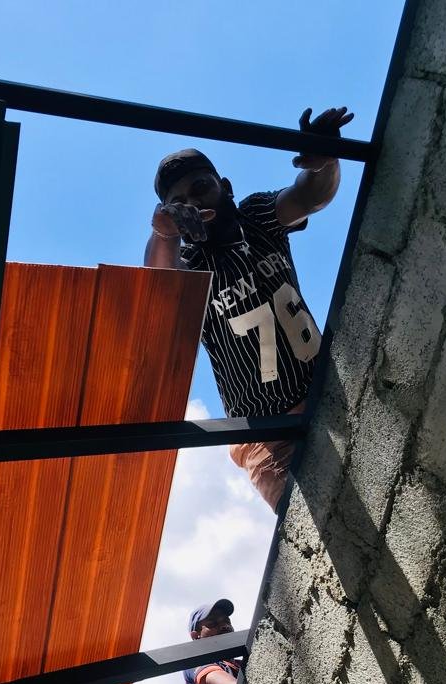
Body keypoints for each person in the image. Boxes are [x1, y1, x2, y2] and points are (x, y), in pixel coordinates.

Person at [145, 107, 354, 511]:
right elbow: (158, 282)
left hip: (330, 392)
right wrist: (163, 232)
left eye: (201, 188)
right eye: (178, 204)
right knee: (319, 523)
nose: (193, 204)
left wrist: (324, 161)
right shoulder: (190, 267)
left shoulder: (256, 217)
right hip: (270, 438)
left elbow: (308, 196)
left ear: (225, 186)